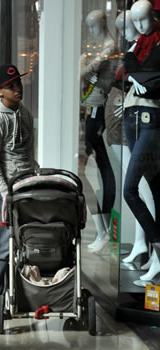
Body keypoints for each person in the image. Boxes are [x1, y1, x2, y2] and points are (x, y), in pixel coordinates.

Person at [0, 64, 38, 319]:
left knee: (25, 243)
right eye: (11, 86)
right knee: (4, 244)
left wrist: (37, 175)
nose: (18, 89)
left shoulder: (24, 113)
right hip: (6, 191)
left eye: (19, 83)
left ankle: (20, 292)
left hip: (28, 186)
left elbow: (28, 152)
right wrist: (5, 193)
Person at [121, 0, 160, 283]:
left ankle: (158, 249)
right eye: (136, 22)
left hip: (149, 119)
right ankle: (154, 257)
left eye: (144, 20)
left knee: (130, 190)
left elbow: (142, 74)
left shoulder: (153, 45)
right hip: (133, 116)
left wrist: (135, 69)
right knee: (154, 187)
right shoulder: (141, 44)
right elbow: (134, 72)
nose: (140, 27)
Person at [80, 9, 117, 251]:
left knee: (99, 166)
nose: (91, 30)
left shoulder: (110, 45)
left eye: (93, 26)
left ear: (101, 24)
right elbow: (84, 74)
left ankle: (104, 228)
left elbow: (82, 73)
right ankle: (103, 228)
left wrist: (84, 65)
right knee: (100, 166)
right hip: (90, 109)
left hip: (98, 110)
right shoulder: (97, 47)